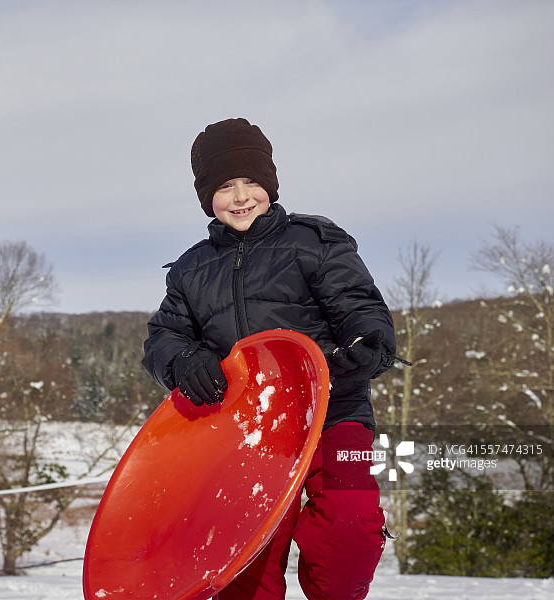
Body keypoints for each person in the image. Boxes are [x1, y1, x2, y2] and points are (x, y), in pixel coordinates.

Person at [141, 118, 396, 600]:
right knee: (249, 549)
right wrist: (183, 361)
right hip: (246, 429)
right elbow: (163, 337)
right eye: (224, 186)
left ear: (270, 184)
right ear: (206, 197)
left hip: (332, 412)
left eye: (250, 182)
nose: (239, 197)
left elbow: (361, 308)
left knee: (350, 524)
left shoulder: (314, 242)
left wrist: (363, 345)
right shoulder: (192, 269)